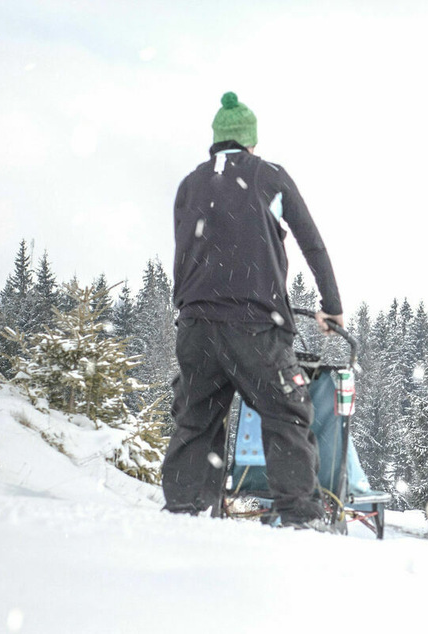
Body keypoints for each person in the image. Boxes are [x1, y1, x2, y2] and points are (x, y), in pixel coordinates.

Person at [162, 91, 344, 529]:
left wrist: (189, 308)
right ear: (250, 141)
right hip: (256, 326)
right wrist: (331, 306)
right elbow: (310, 240)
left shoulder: (190, 184)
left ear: (217, 141)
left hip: (197, 324)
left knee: (195, 419)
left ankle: (183, 515)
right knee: (286, 413)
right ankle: (301, 516)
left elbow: (183, 249)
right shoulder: (270, 177)